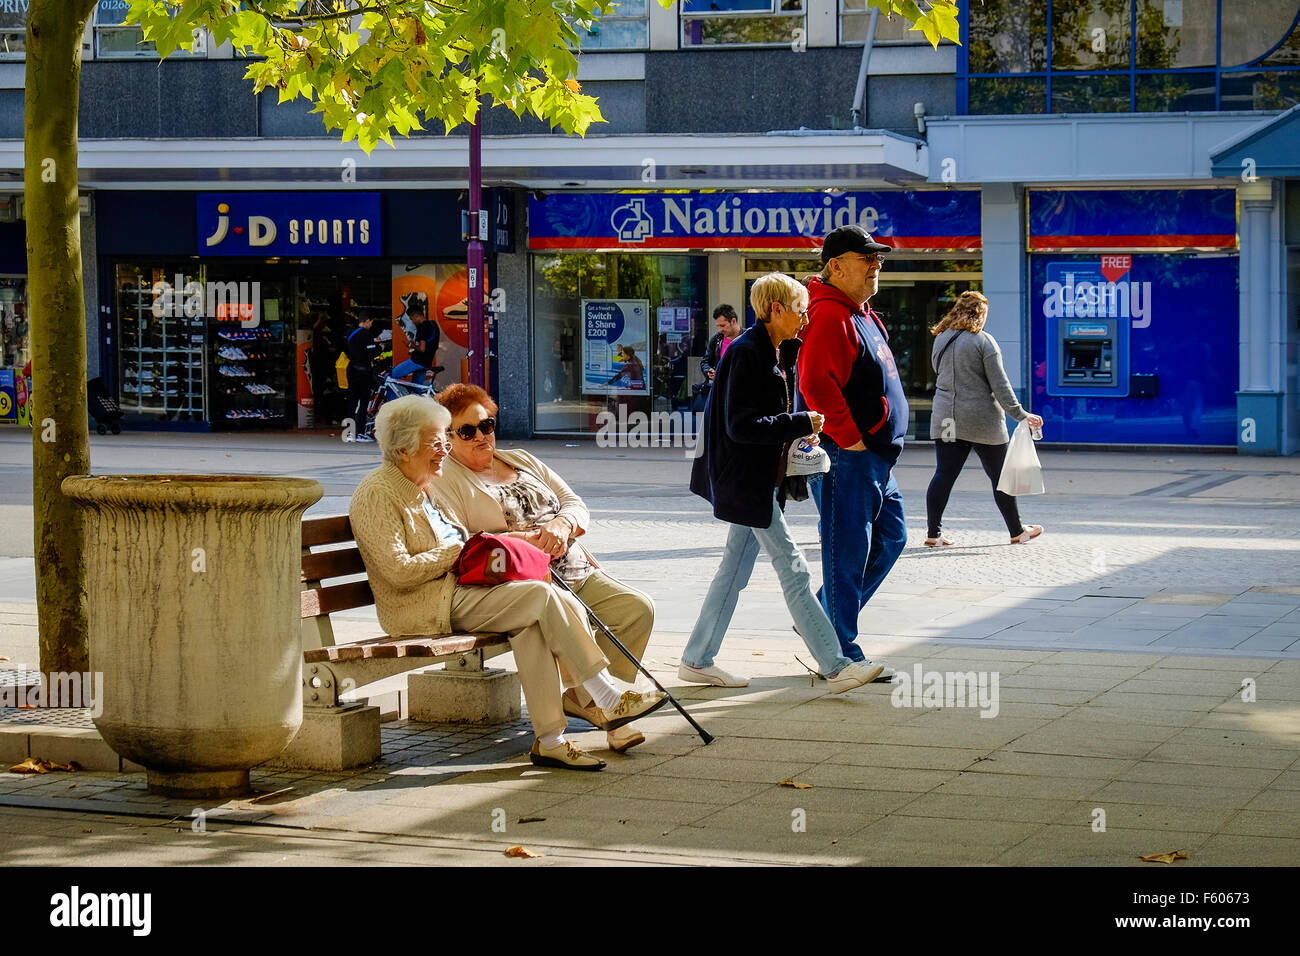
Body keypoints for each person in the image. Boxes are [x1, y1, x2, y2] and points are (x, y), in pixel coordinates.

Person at [349, 394, 666, 771]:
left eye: (444, 442)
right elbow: (399, 570)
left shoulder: (421, 485)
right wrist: (464, 552)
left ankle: (550, 740)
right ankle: (606, 696)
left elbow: (468, 544)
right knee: (540, 597)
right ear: (403, 449)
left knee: (530, 621)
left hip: (461, 590)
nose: (443, 452)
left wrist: (497, 545)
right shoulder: (378, 493)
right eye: (438, 442)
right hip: (424, 605)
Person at [682, 272, 884, 693]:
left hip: (753, 483)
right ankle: (835, 665)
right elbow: (741, 425)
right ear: (776, 309)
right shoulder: (748, 352)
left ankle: (697, 659)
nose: (805, 318)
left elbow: (756, 423)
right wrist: (799, 422)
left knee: (733, 572)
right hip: (747, 483)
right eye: (799, 310)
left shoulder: (768, 349)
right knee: (793, 567)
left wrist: (796, 430)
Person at [430, 383, 656, 754]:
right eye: (467, 432)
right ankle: (610, 712)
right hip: (526, 578)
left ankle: (590, 701)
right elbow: (463, 544)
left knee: (637, 608)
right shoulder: (448, 481)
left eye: (486, 425)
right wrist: (530, 538)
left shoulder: (520, 458)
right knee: (575, 615)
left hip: (574, 567)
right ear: (448, 437)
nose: (481, 437)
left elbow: (573, 502)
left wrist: (563, 525)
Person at [797, 225, 904, 674]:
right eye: (867, 259)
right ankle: (839, 654)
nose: (876, 265)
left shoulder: (859, 312)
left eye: (878, 258)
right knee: (846, 555)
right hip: (850, 456)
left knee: (891, 538)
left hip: (873, 455)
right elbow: (815, 383)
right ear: (836, 266)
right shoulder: (828, 314)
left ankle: (819, 621)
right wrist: (851, 439)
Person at [925, 290, 1045, 545]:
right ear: (980, 314)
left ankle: (933, 534)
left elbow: (937, 371)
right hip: (982, 420)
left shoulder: (940, 338)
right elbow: (1000, 385)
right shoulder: (983, 341)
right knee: (1000, 476)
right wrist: (1020, 414)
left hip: (947, 417)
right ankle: (1016, 531)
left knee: (944, 473)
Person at [695, 304, 742, 411]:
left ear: (733, 321)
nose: (720, 329)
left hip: (740, 393)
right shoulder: (716, 340)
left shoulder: (747, 338)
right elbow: (705, 362)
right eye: (718, 326)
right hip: (719, 393)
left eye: (723, 325)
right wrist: (709, 371)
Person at [343, 312, 380, 443]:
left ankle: (348, 433)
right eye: (371, 322)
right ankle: (359, 433)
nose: (371, 325)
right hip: (363, 372)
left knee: (352, 402)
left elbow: (346, 351)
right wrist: (379, 347)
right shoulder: (366, 334)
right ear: (367, 321)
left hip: (352, 369)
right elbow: (373, 354)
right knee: (364, 402)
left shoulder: (350, 333)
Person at [390, 304, 440, 384]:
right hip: (426, 362)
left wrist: (411, 345)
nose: (412, 322)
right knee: (417, 390)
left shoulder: (422, 327)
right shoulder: (433, 324)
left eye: (411, 319)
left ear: (416, 316)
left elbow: (422, 349)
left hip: (417, 361)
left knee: (391, 377)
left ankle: (392, 397)